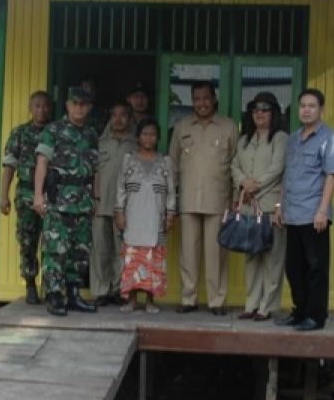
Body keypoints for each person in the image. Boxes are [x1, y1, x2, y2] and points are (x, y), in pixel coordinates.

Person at [277, 88, 334, 331]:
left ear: (321, 110)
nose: (306, 110)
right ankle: (300, 311)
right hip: (292, 214)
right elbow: (288, 175)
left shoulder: (330, 137)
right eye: (303, 106)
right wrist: (279, 206)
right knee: (294, 268)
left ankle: (316, 316)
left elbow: (332, 176)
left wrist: (323, 210)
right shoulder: (293, 138)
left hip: (314, 215)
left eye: (311, 106)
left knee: (316, 268)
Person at [168, 81, 237, 314]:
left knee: (216, 254)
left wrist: (235, 198)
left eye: (205, 98)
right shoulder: (182, 127)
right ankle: (189, 298)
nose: (201, 103)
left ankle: (217, 301)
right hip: (188, 200)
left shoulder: (228, 127)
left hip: (218, 200)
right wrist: (170, 201)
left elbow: (236, 165)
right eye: (196, 98)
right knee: (188, 252)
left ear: (214, 98)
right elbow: (173, 166)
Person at [34, 86, 100, 316]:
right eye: (75, 104)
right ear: (67, 106)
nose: (79, 108)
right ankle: (54, 295)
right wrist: (38, 194)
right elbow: (42, 163)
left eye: (83, 104)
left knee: (79, 251)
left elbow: (95, 170)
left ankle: (73, 294)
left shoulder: (91, 135)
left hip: (82, 201)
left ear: (89, 107)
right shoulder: (54, 130)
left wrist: (96, 198)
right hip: (58, 199)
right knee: (55, 250)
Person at [231, 91, 289, 321]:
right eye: (255, 109)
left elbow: (277, 169)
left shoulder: (280, 138)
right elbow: (234, 166)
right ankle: (251, 303)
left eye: (265, 109)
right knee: (252, 257)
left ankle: (268, 306)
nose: (259, 114)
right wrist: (242, 183)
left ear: (274, 113)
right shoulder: (244, 139)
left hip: (270, 206)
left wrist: (254, 186)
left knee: (272, 259)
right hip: (248, 208)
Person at [115, 118, 176, 312]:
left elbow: (172, 190)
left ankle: (150, 301)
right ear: (138, 137)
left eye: (152, 134)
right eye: (144, 134)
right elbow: (120, 188)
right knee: (132, 259)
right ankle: (131, 300)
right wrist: (119, 212)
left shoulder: (165, 161)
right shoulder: (129, 159)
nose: (148, 138)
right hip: (133, 216)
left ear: (157, 138)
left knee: (153, 260)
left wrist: (170, 213)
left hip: (155, 217)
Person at [0, 91, 52, 304]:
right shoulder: (20, 133)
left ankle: (51, 287)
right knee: (28, 241)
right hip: (26, 194)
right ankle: (31, 284)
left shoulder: (56, 132)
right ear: (30, 108)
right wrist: (3, 195)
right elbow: (9, 166)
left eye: (45, 106)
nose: (41, 110)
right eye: (37, 106)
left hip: (52, 195)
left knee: (52, 243)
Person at [92, 102, 138, 306]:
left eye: (123, 115)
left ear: (129, 118)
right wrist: (93, 198)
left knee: (122, 249)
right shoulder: (100, 143)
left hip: (125, 207)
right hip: (100, 204)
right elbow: (94, 173)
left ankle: (120, 289)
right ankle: (102, 290)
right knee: (100, 248)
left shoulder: (136, 144)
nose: (118, 119)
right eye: (114, 115)